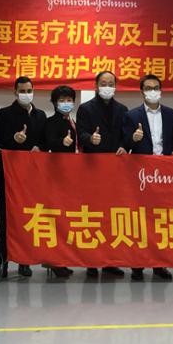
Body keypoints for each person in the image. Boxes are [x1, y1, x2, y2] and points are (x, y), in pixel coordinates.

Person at [123, 74, 173, 282]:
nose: (152, 91)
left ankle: (159, 264)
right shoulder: (131, 115)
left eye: (156, 87)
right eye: (148, 88)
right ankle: (137, 265)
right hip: (141, 175)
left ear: (161, 90)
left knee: (161, 220)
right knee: (139, 219)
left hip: (164, 175)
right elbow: (125, 144)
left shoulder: (172, 114)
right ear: (142, 92)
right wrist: (133, 138)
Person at [75, 71, 128, 278]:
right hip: (92, 169)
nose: (107, 87)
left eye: (111, 83)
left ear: (115, 86)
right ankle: (91, 261)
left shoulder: (122, 109)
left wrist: (125, 145)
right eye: (103, 83)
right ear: (96, 86)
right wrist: (90, 138)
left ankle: (109, 261)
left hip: (115, 171)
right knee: (92, 216)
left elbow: (126, 137)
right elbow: (80, 134)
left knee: (111, 216)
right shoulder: (85, 108)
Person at [0, 77, 46, 279]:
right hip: (9, 175)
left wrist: (39, 147)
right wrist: (13, 139)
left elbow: (45, 141)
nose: (26, 94)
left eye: (29, 90)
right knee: (7, 219)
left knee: (29, 217)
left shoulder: (41, 115)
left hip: (31, 176)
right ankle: (3, 261)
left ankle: (25, 261)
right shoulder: (4, 113)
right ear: (15, 93)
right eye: (22, 91)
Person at [39, 85, 79, 278]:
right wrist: (61, 143)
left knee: (65, 220)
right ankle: (53, 261)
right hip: (56, 176)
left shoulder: (72, 121)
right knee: (55, 219)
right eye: (62, 100)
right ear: (55, 103)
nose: (66, 103)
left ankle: (61, 260)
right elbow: (48, 144)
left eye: (69, 100)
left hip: (70, 176)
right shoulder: (51, 122)